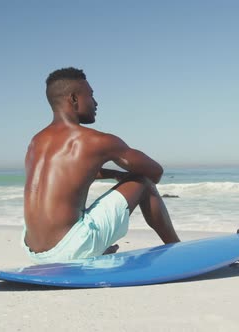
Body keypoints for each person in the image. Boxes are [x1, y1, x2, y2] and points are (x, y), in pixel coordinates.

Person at [22, 67, 181, 264]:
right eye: (91, 95)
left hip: (34, 251)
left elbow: (69, 173)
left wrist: (113, 174)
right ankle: (177, 250)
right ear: (73, 99)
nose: (96, 103)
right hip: (70, 249)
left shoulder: (36, 142)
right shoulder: (96, 141)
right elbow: (155, 172)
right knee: (143, 182)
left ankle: (92, 250)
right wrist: (125, 172)